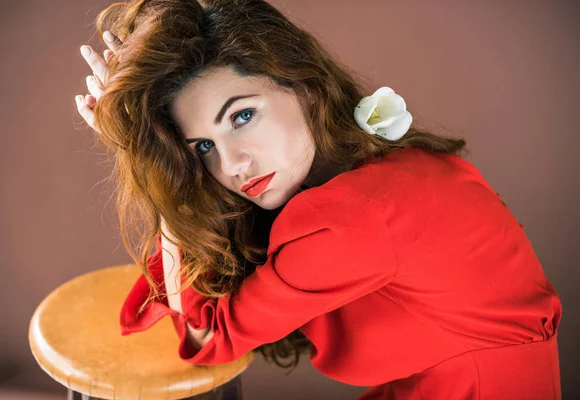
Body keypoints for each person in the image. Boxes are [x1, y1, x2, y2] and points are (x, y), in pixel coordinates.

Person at [75, 0, 562, 398]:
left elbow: (208, 338)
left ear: (303, 86)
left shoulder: (348, 219)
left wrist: (155, 173)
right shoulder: (383, 167)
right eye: (202, 147)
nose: (231, 165)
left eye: (242, 117)